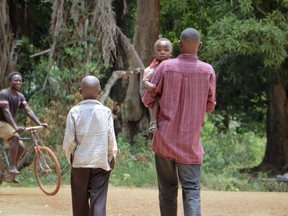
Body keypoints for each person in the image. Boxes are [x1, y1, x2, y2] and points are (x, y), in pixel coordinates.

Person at [142, 28, 216, 216]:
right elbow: (209, 106)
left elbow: (148, 99)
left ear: (180, 45)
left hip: (165, 140)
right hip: (190, 143)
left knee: (167, 191)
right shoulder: (208, 71)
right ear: (199, 46)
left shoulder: (165, 67)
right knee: (192, 189)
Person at [63, 75, 118, 216]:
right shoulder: (105, 112)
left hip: (80, 163)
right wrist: (111, 156)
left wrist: (72, 158)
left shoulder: (74, 112)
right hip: (100, 162)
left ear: (80, 91)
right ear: (99, 90)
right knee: (98, 202)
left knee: (79, 204)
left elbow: (69, 140)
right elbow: (111, 138)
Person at [0, 71, 48, 177]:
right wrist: (16, 127)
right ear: (9, 82)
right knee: (16, 137)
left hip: (7, 124)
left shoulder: (20, 96)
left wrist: (40, 123)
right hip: (1, 123)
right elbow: (6, 112)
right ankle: (12, 167)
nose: (19, 82)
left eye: (20, 81)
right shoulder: (4, 94)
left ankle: (10, 172)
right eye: (16, 80)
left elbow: (28, 110)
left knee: (21, 147)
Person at [142, 38, 173, 132]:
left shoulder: (174, 66)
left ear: (171, 53)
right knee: (157, 99)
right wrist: (149, 85)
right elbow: (145, 80)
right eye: (159, 50)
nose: (162, 52)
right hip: (156, 93)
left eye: (166, 50)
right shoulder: (151, 69)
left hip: (170, 94)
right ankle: (153, 121)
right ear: (154, 53)